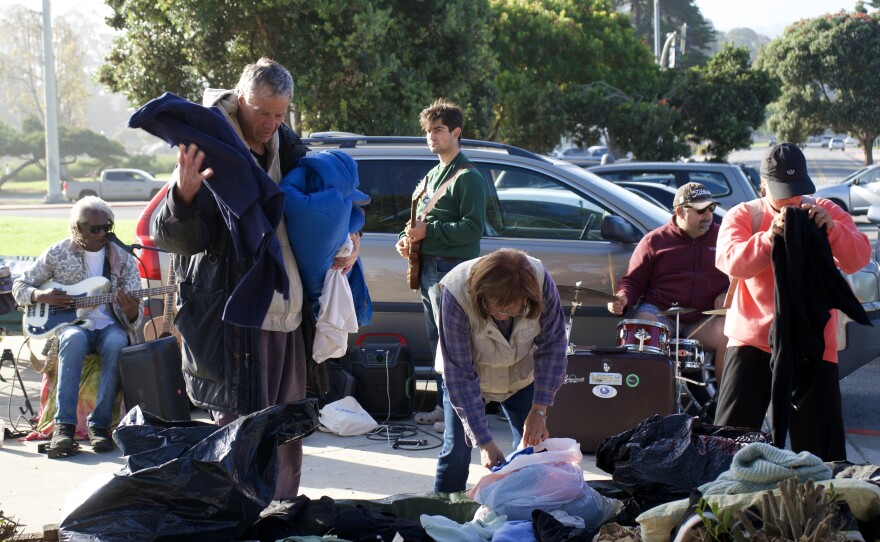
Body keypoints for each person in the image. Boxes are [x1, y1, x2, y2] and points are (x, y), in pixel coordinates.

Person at [151, 58, 357, 499]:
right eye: (263, 113)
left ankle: (280, 515)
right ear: (241, 99)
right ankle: (241, 519)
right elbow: (173, 239)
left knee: (287, 430)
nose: (271, 124)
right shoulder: (206, 145)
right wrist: (183, 198)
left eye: (280, 114)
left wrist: (350, 234)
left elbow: (332, 197)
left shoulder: (286, 143)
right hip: (231, 320)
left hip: (287, 312)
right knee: (238, 438)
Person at [714, 142, 870, 461]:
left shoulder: (825, 211)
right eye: (783, 191)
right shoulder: (744, 215)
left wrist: (833, 231)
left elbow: (858, 258)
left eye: (797, 189)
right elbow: (730, 261)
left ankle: (820, 502)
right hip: (753, 341)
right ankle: (724, 502)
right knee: (728, 443)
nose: (792, 199)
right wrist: (768, 238)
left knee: (821, 452)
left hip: (812, 343)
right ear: (763, 185)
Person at [13, 196, 141, 453]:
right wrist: (41, 296)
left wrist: (133, 311)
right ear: (77, 228)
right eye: (94, 228)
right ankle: (64, 427)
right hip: (71, 326)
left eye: (107, 227)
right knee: (74, 339)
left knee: (118, 341)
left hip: (110, 326)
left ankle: (100, 426)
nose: (102, 233)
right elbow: (20, 286)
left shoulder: (123, 258)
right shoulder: (58, 253)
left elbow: (134, 314)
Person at [433, 248, 567, 494]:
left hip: (521, 376)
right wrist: (484, 441)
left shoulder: (540, 281)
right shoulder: (455, 293)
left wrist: (540, 409)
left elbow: (554, 345)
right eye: (498, 309)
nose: (504, 316)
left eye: (513, 311)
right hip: (470, 377)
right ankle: (442, 519)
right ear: (482, 293)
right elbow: (460, 375)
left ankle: (522, 516)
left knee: (532, 453)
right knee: (456, 454)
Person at [395, 99, 487, 433]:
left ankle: (457, 413)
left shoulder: (468, 178)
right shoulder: (433, 174)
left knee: (453, 344)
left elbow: (474, 229)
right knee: (437, 342)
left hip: (453, 269)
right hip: (428, 267)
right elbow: (420, 220)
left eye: (439, 130)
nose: (432, 137)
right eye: (428, 131)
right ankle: (442, 406)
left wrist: (429, 231)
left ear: (456, 133)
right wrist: (408, 239)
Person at [607, 182, 730, 380]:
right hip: (661, 314)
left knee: (732, 332)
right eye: (701, 210)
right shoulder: (654, 240)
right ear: (680, 212)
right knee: (643, 327)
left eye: (711, 208)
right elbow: (632, 281)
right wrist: (622, 298)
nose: (708, 214)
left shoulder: (724, 237)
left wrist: (730, 294)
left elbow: (744, 275)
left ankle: (723, 405)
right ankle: (645, 399)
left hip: (705, 318)